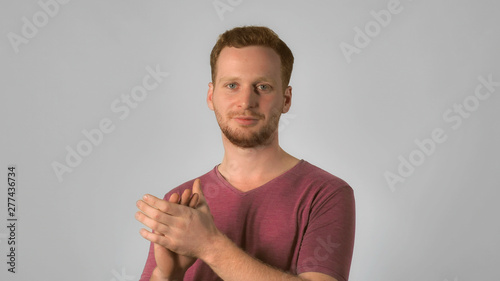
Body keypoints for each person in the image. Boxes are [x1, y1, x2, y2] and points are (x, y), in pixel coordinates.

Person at [136, 26, 355, 281]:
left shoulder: (326, 194)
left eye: (262, 86)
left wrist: (209, 245)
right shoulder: (182, 200)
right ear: (211, 95)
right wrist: (167, 274)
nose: (245, 101)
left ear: (286, 99)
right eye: (231, 85)